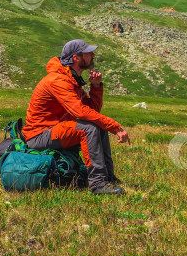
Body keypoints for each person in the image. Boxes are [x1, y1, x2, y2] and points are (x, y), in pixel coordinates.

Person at [22, 39, 131, 195]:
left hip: (54, 131)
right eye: (88, 53)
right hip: (39, 135)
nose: (93, 55)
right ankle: (98, 184)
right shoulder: (58, 80)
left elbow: (91, 110)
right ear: (76, 57)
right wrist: (115, 127)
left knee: (95, 125)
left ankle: (108, 177)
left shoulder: (72, 80)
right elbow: (80, 112)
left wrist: (96, 87)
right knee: (88, 129)